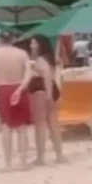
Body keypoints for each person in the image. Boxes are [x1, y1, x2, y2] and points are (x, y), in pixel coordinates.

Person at [0, 35, 34, 170]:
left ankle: (8, 163)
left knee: (6, 127)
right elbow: (28, 75)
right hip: (18, 87)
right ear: (13, 40)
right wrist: (20, 89)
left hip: (2, 89)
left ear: (0, 40)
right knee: (21, 128)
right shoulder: (22, 54)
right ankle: (23, 162)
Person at [25, 35, 64, 165]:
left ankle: (40, 157)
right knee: (53, 124)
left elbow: (46, 75)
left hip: (41, 90)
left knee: (40, 124)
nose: (31, 46)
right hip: (52, 88)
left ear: (40, 45)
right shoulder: (50, 58)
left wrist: (48, 96)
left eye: (34, 43)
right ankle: (59, 155)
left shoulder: (39, 60)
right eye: (31, 43)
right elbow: (53, 75)